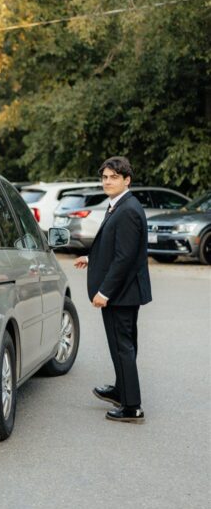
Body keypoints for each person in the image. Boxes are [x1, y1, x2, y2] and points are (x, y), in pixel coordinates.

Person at [74, 157, 151, 423]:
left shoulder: (128, 209)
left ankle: (132, 407)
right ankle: (122, 390)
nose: (107, 181)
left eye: (114, 177)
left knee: (123, 347)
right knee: (122, 346)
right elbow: (114, 248)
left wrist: (105, 292)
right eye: (105, 177)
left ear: (126, 179)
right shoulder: (119, 205)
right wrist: (91, 258)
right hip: (124, 291)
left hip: (121, 293)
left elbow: (125, 257)